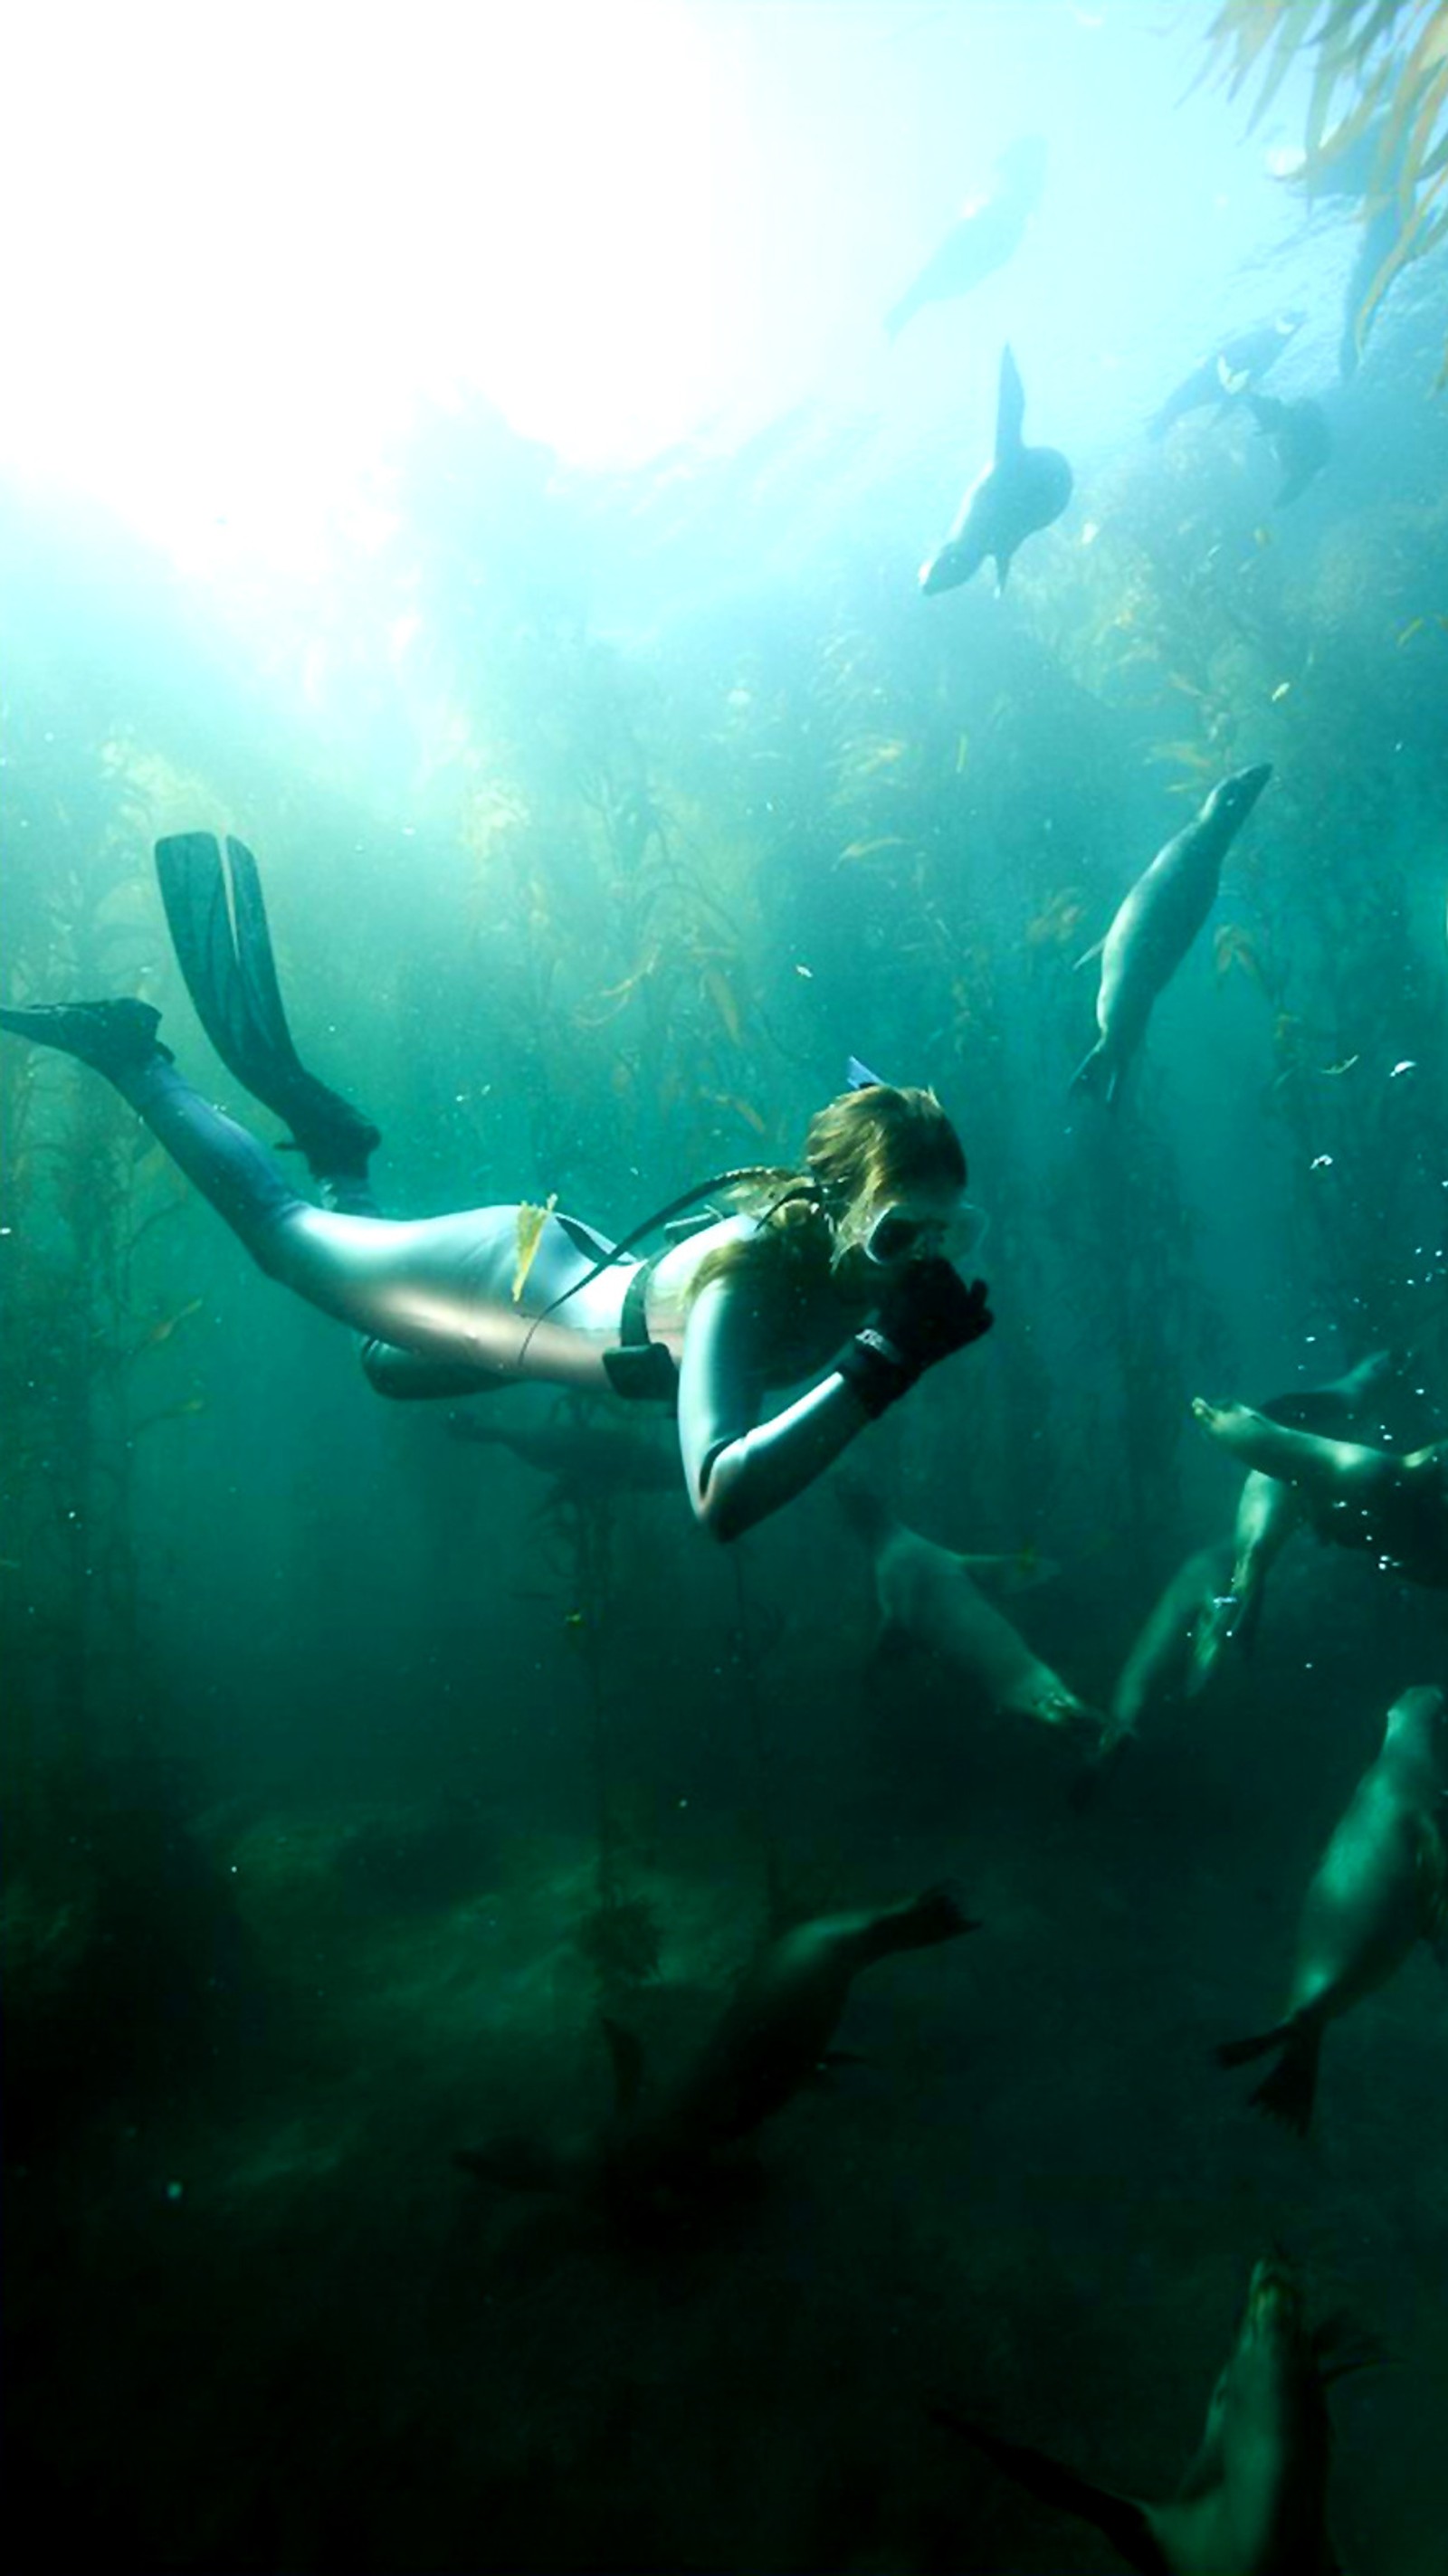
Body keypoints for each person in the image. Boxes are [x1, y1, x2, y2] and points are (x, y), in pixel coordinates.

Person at [2, 834, 994, 1543]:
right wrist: (886, 1363)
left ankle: (342, 1151)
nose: (926, 1263)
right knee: (277, 1233)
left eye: (951, 1236)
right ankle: (133, 1056)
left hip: (559, 1297)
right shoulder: (750, 1282)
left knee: (384, 1368)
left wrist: (888, 1332)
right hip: (505, 1282)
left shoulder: (852, 1271)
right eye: (902, 1234)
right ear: (837, 1210)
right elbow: (719, 1499)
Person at [1191, 1396, 1448, 1590]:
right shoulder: (1382, 1475)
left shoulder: (1370, 1473)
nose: (1324, 1537)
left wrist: (1220, 1424)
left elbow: (1272, 1447)